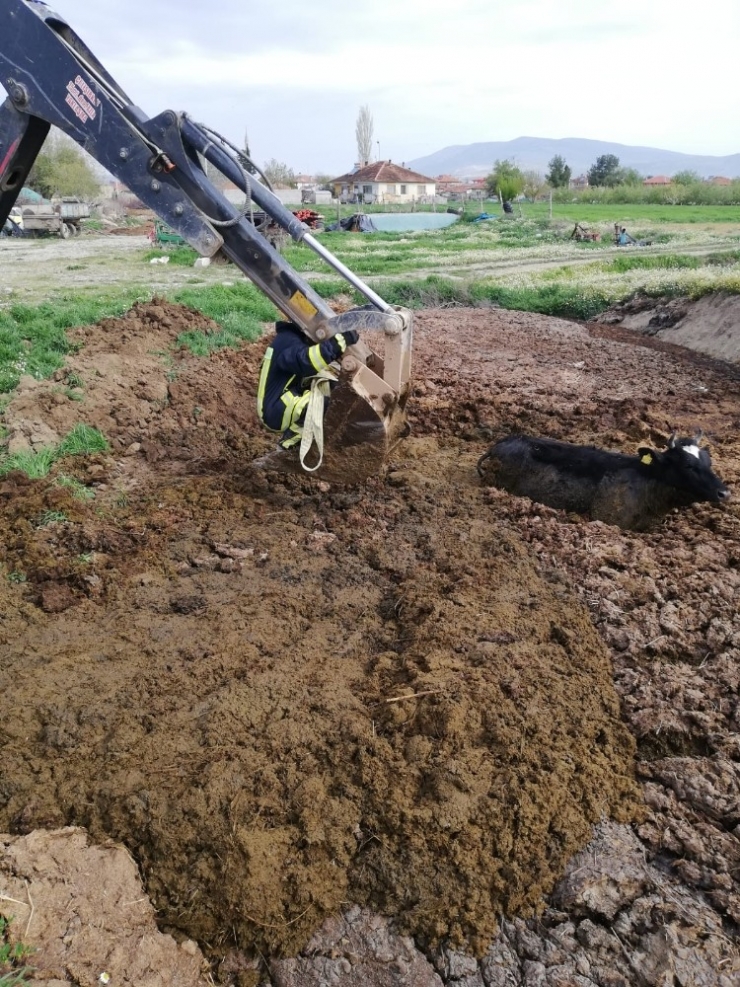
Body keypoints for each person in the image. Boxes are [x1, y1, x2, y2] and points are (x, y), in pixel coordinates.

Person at [256, 320, 359, 450]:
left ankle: (319, 441)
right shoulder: (289, 341)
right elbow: (306, 362)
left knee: (333, 389)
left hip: (288, 396)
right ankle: (287, 448)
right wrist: (339, 342)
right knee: (321, 406)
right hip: (275, 411)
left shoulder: (292, 337)